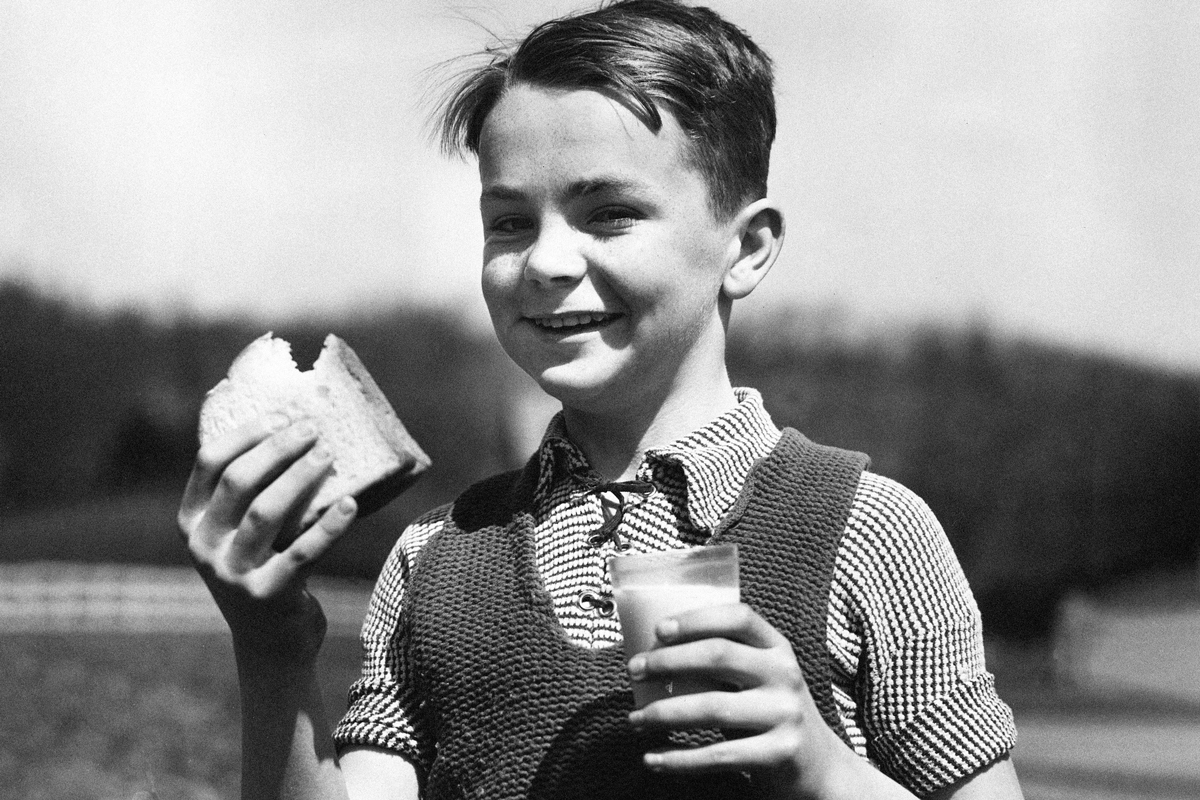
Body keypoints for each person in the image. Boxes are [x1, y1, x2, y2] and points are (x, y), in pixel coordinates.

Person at [177, 1, 1025, 797]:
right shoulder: (434, 560)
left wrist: (825, 769)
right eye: (509, 222)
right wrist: (272, 648)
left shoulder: (868, 531)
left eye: (609, 213)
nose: (545, 261)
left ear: (749, 249)